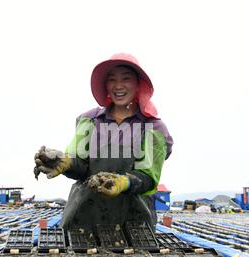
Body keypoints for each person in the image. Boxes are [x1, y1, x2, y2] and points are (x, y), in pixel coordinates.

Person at [34, 53, 173, 231]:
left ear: (138, 84)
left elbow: (148, 177)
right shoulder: (90, 121)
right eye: (112, 79)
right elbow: (81, 166)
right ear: (105, 85)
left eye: (126, 78)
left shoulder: (153, 128)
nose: (118, 85)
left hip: (134, 221)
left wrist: (123, 183)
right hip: (83, 217)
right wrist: (65, 162)